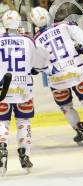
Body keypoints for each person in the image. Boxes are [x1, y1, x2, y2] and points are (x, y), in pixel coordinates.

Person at [30, 6, 83, 144]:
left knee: (66, 106)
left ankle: (79, 130)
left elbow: (37, 67)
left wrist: (35, 69)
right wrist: (79, 50)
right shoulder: (65, 26)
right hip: (75, 71)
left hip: (57, 79)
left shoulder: (35, 40)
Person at [0, 10, 49, 176]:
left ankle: (2, 148)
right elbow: (38, 66)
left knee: (2, 122)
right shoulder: (28, 40)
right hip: (23, 89)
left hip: (2, 89)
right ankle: (24, 154)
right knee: (23, 121)